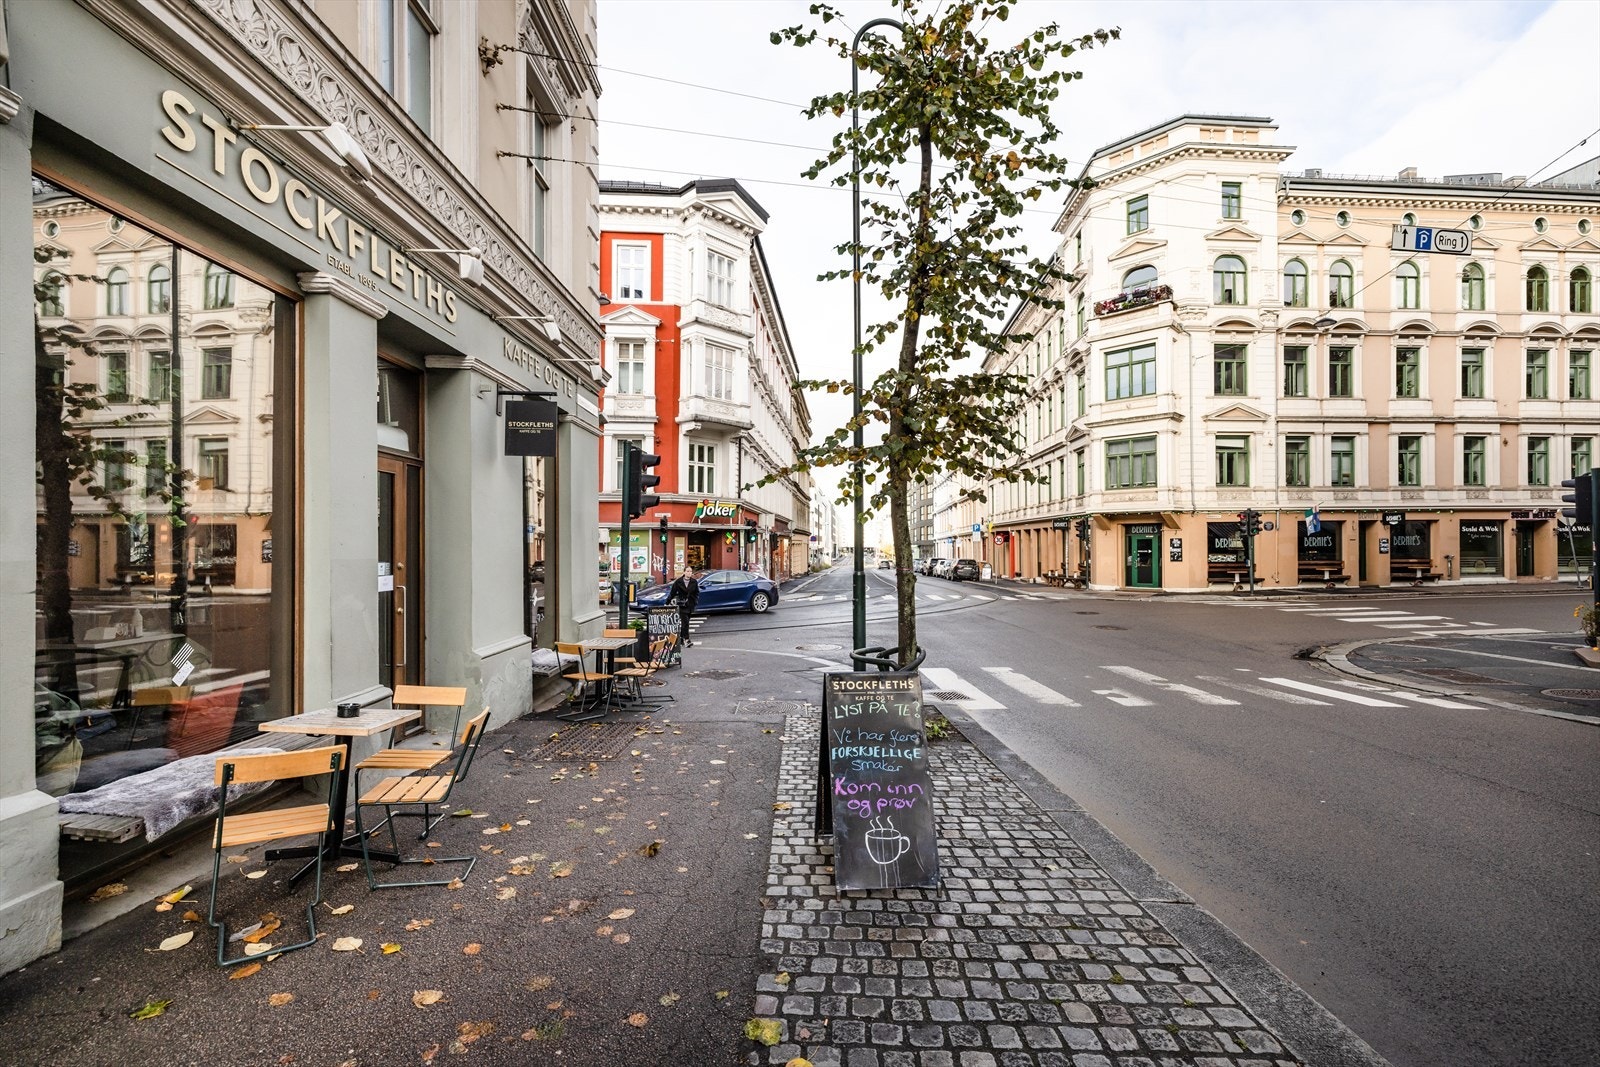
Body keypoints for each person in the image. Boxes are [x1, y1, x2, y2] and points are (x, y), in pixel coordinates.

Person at [668, 568, 699, 648]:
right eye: (687, 571)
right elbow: (672, 593)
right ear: (684, 572)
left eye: (690, 571)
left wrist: (695, 601)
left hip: (690, 604)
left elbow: (697, 592)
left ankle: (681, 639)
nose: (689, 573)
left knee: (686, 622)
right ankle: (687, 639)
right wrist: (667, 602)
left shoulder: (694, 582)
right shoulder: (678, 582)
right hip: (682, 605)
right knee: (685, 623)